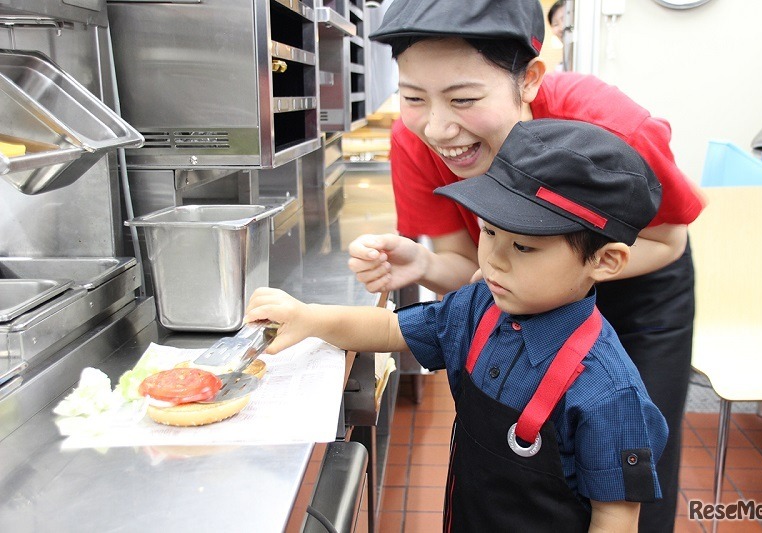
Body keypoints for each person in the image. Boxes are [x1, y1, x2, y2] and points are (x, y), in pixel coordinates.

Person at [346, 0, 705, 531]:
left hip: (639, 285)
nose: (438, 128)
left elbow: (668, 241)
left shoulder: (609, 126)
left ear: (530, 79)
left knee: (629, 475)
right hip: (518, 286)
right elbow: (467, 266)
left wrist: (561, 272)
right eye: (413, 97)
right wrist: (423, 262)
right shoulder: (415, 141)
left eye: (463, 99)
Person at [246, 119, 669, 533]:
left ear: (604, 261)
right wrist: (312, 317)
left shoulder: (609, 394)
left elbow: (615, 518)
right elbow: (391, 330)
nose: (494, 260)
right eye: (489, 232)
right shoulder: (479, 307)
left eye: (523, 246)